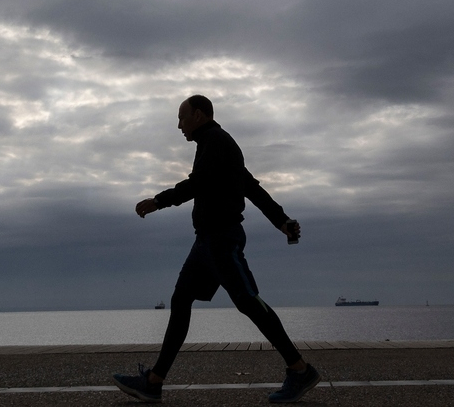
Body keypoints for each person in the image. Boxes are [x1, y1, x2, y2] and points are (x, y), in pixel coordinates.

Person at [113, 95, 320, 404]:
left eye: (182, 117)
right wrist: (282, 221)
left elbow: (201, 184)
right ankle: (154, 382)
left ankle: (300, 368)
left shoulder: (217, 141)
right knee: (181, 299)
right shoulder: (214, 144)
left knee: (249, 302)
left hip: (222, 240)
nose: (179, 125)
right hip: (206, 242)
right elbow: (251, 187)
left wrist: (158, 201)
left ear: (199, 114)